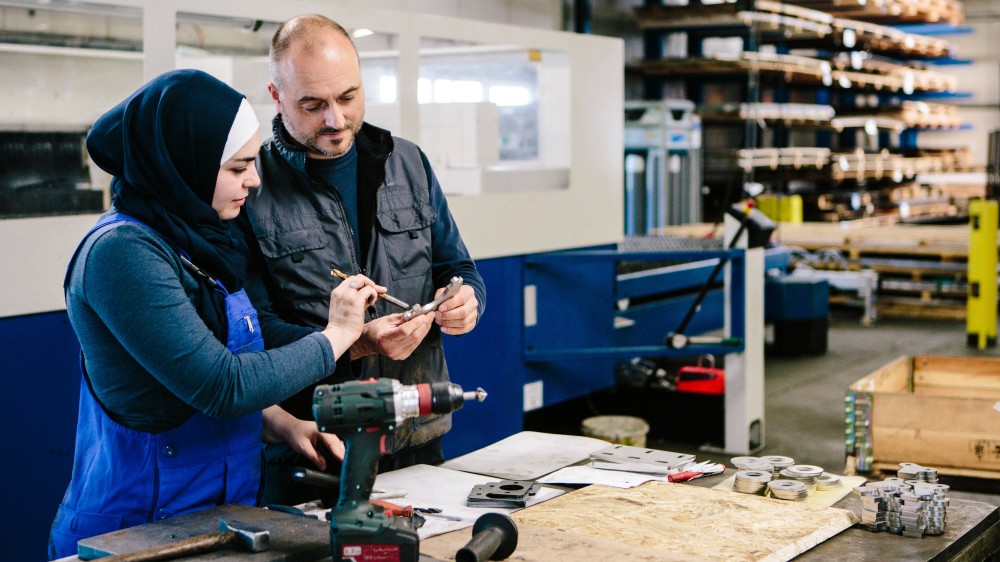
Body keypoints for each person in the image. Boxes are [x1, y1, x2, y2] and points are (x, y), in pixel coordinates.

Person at [48, 69, 383, 559]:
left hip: (222, 521)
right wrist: (336, 336)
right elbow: (220, 385)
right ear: (185, 164)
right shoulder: (122, 254)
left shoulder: (202, 238)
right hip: (135, 532)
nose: (255, 179)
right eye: (238, 166)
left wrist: (287, 426)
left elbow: (222, 353)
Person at [242, 14, 487, 504]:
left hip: (416, 434)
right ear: (277, 96)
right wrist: (354, 342)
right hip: (313, 447)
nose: (335, 120)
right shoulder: (251, 186)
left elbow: (458, 268)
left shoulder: (409, 162)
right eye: (312, 105)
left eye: (348, 97)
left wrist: (465, 299)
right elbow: (251, 332)